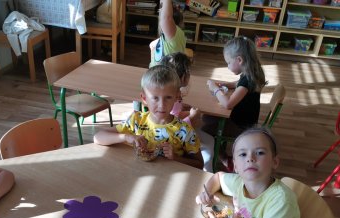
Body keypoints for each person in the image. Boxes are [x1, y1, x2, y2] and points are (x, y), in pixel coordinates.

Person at [94, 65, 204, 169]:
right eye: (155, 98)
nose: (161, 105)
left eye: (168, 97)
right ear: (144, 98)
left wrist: (175, 158)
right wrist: (126, 137)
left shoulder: (184, 130)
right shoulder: (136, 121)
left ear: (177, 97)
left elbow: (199, 164)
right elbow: (98, 137)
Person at [203, 37, 267, 169]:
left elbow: (228, 104)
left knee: (204, 131)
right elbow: (237, 84)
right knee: (207, 117)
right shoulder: (251, 72)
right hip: (245, 120)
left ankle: (225, 159)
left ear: (239, 60)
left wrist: (215, 89)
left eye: (228, 62)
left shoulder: (247, 81)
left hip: (241, 126)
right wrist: (223, 84)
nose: (227, 66)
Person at [160, 52, 215, 171]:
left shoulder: (168, 92)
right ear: (183, 77)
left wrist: (182, 108)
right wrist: (192, 117)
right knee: (210, 142)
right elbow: (174, 127)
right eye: (189, 72)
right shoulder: (175, 96)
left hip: (172, 133)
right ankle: (207, 171)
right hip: (174, 137)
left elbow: (173, 115)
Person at [149, 0, 186, 67]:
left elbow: (166, 18)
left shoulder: (174, 33)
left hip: (163, 73)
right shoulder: (174, 35)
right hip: (156, 71)